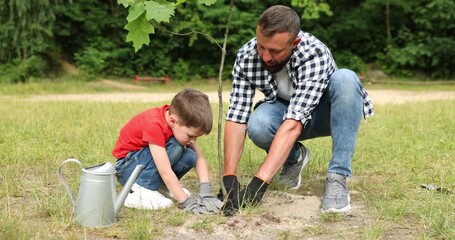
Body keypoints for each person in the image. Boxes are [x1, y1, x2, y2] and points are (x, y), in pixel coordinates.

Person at [221, 5, 374, 215]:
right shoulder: (246, 57)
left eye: (274, 51)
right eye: (261, 46)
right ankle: (294, 158)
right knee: (258, 124)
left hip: (325, 115)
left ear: (295, 43)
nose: (265, 56)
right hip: (285, 112)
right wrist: (229, 178)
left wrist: (258, 184)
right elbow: (237, 116)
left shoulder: (314, 52)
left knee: (346, 78)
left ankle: (338, 176)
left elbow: (294, 122)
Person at [113, 88, 223, 214]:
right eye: (190, 136)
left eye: (196, 137)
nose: (193, 141)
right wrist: (185, 202)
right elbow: (165, 170)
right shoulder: (154, 125)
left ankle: (158, 186)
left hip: (143, 164)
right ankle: (140, 191)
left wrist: (205, 192)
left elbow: (199, 158)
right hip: (127, 170)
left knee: (190, 156)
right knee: (176, 146)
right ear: (172, 121)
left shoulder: (177, 123)